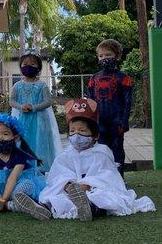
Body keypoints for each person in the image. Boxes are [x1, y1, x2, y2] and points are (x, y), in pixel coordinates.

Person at [37, 98, 155, 221]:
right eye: (72, 131)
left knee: (104, 197)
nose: (76, 135)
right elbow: (58, 175)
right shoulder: (65, 155)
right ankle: (43, 208)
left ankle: (90, 207)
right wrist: (68, 185)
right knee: (56, 196)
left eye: (82, 131)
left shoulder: (101, 153)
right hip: (71, 191)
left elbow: (107, 176)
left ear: (95, 136)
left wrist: (87, 184)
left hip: (94, 189)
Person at [88, 39, 133, 176]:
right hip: (99, 120)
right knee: (101, 149)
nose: (104, 58)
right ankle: (103, 177)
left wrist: (124, 121)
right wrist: (90, 121)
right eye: (101, 56)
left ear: (117, 56)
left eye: (108, 55)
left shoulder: (124, 78)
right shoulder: (93, 79)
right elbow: (89, 101)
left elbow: (127, 102)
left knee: (117, 148)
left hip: (117, 119)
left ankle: (118, 178)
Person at [10, 53, 61, 172]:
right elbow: (12, 101)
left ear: (38, 68)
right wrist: (20, 106)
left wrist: (33, 107)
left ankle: (40, 170)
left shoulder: (42, 85)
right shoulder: (17, 85)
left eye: (32, 64)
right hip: (22, 121)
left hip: (40, 121)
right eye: (25, 64)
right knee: (23, 141)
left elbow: (48, 102)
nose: (28, 66)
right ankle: (22, 167)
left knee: (39, 143)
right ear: (21, 67)